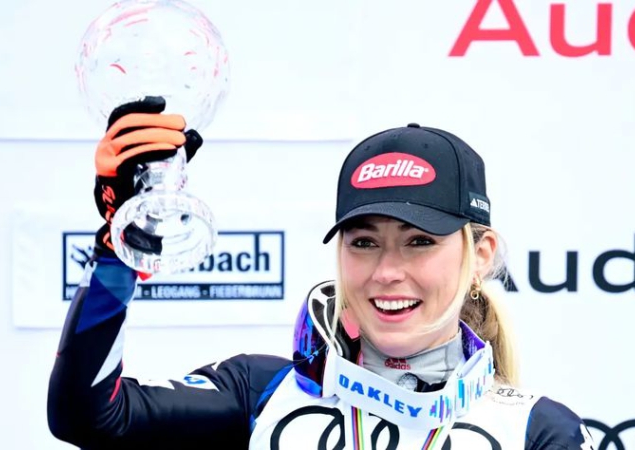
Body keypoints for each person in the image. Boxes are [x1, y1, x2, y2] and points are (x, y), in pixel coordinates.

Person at [48, 97, 596, 449]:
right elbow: (88, 416)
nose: (387, 271)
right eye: (364, 242)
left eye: (419, 242)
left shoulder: (539, 431)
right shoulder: (262, 392)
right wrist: (120, 249)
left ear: (481, 255)